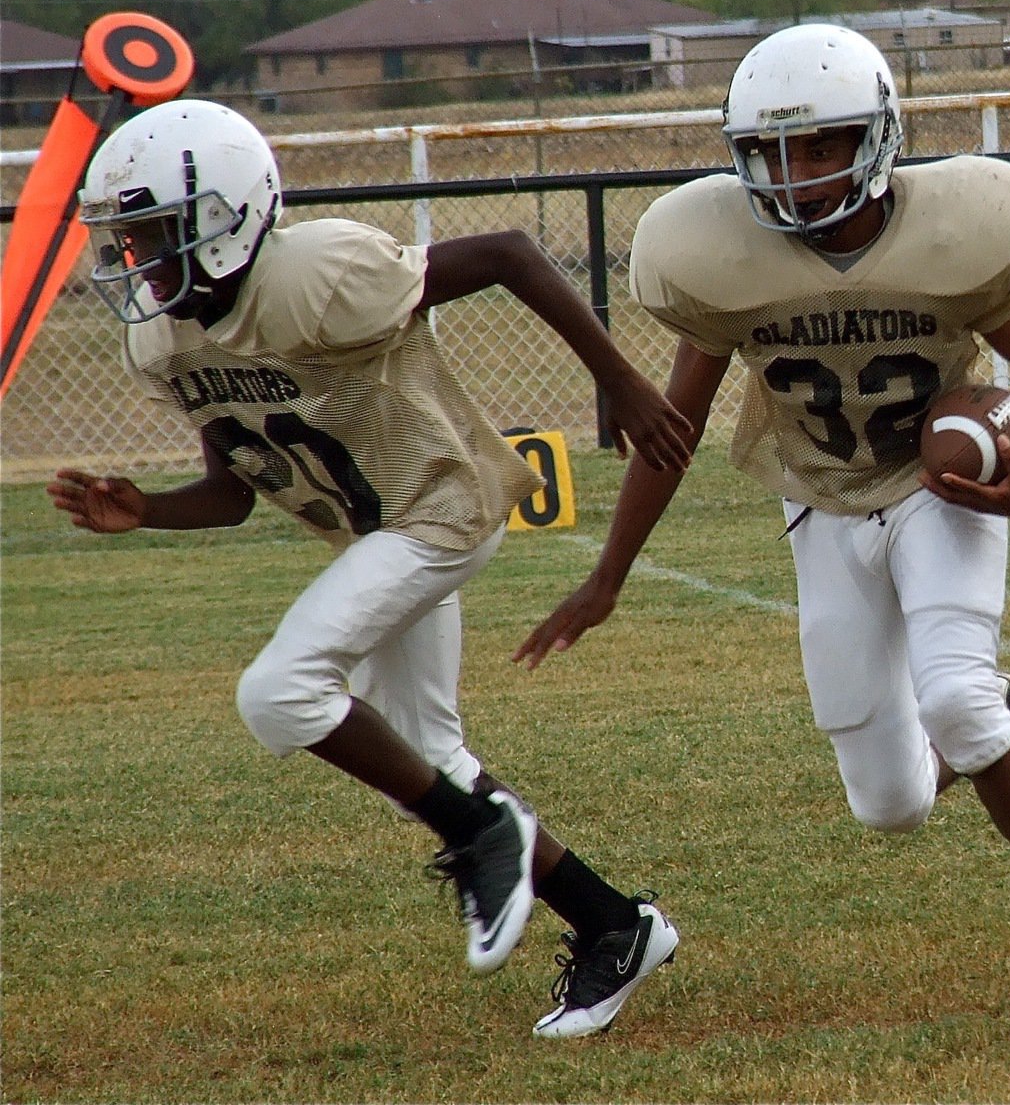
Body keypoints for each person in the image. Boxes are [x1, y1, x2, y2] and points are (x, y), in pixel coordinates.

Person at [516, 24, 1010, 1001]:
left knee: (956, 699)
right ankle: (988, 726)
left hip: (941, 492)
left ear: (879, 139)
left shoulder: (954, 232)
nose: (795, 173)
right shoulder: (725, 257)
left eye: (819, 145)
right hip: (819, 507)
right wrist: (607, 577)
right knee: (889, 803)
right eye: (769, 150)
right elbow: (674, 428)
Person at [47, 99, 688, 1037]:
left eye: (152, 233)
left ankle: (480, 836)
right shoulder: (165, 338)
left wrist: (619, 377)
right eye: (127, 239)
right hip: (377, 534)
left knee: (278, 692)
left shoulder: (316, 275)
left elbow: (509, 250)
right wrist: (148, 511)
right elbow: (230, 492)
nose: (137, 259)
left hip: (441, 509)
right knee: (426, 760)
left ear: (224, 215)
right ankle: (613, 923)